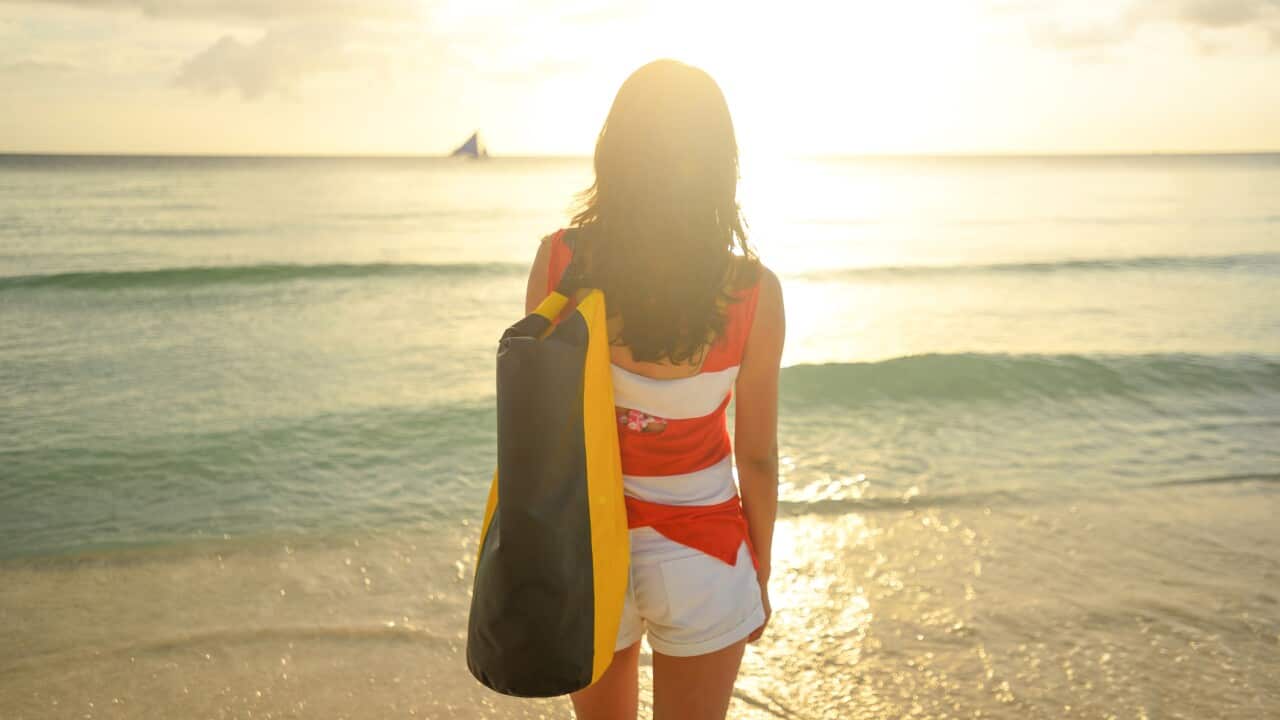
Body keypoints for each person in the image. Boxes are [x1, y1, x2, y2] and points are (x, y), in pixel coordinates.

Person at [523, 59, 785, 720]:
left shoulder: (561, 264)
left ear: (616, 152)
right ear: (718, 164)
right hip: (705, 554)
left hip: (587, 550)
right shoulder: (753, 294)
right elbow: (756, 457)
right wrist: (761, 568)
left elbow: (536, 431)